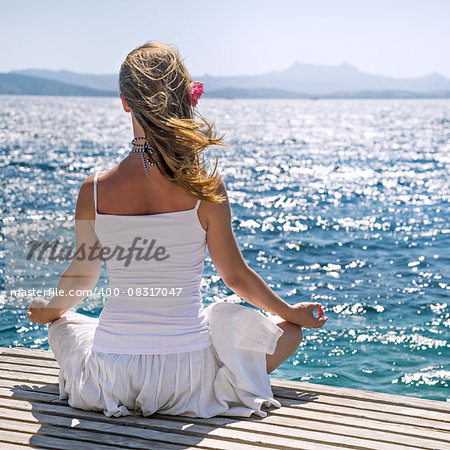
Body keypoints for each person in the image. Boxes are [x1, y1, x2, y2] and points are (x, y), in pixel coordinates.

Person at [26, 41, 328, 419]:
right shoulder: (205, 188)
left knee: (65, 322)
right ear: (183, 99)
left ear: (124, 102)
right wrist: (289, 312)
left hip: (112, 376)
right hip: (186, 379)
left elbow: (82, 279)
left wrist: (47, 311)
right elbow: (235, 276)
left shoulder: (95, 190)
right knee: (280, 329)